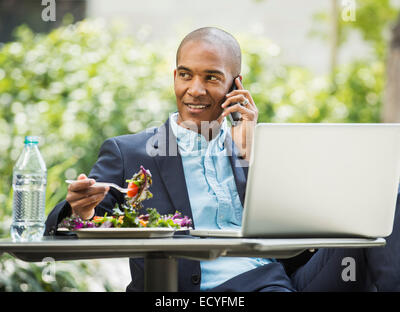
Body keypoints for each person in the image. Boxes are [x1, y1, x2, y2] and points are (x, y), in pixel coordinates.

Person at [45, 27, 400, 292]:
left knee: (382, 204)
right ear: (175, 77)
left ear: (235, 85)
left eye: (211, 78)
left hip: (274, 280)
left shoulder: (254, 145)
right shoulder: (132, 151)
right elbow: (73, 222)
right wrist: (81, 209)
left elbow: (304, 221)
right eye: (185, 75)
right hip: (188, 290)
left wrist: (252, 153)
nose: (195, 89)